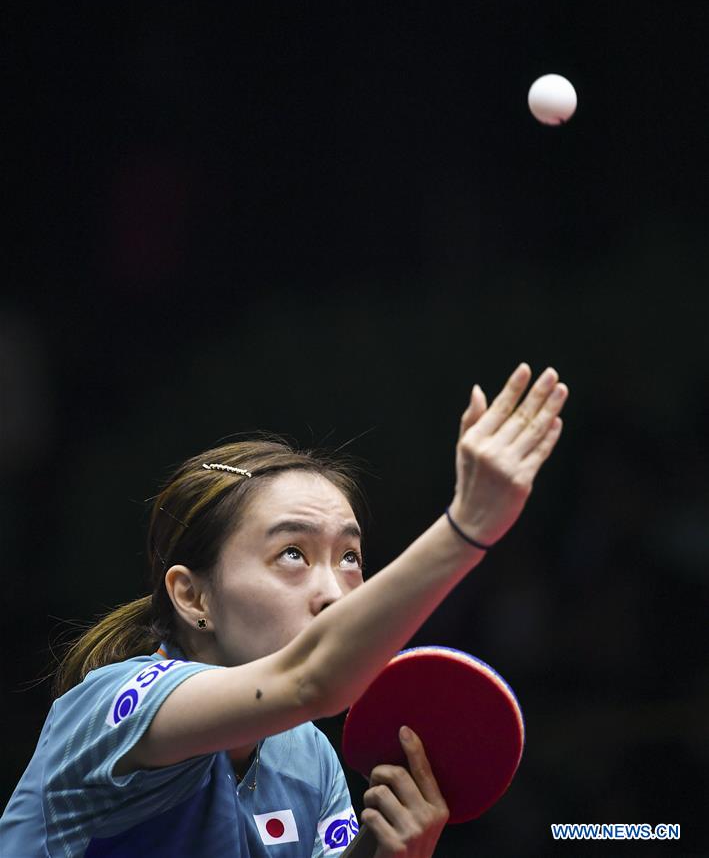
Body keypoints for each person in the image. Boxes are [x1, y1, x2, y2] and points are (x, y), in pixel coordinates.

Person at [0, 363, 567, 857]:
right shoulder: (112, 707)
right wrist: (466, 528)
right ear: (193, 596)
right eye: (291, 553)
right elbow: (311, 680)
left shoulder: (305, 757)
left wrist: (389, 854)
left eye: (350, 556)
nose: (336, 593)